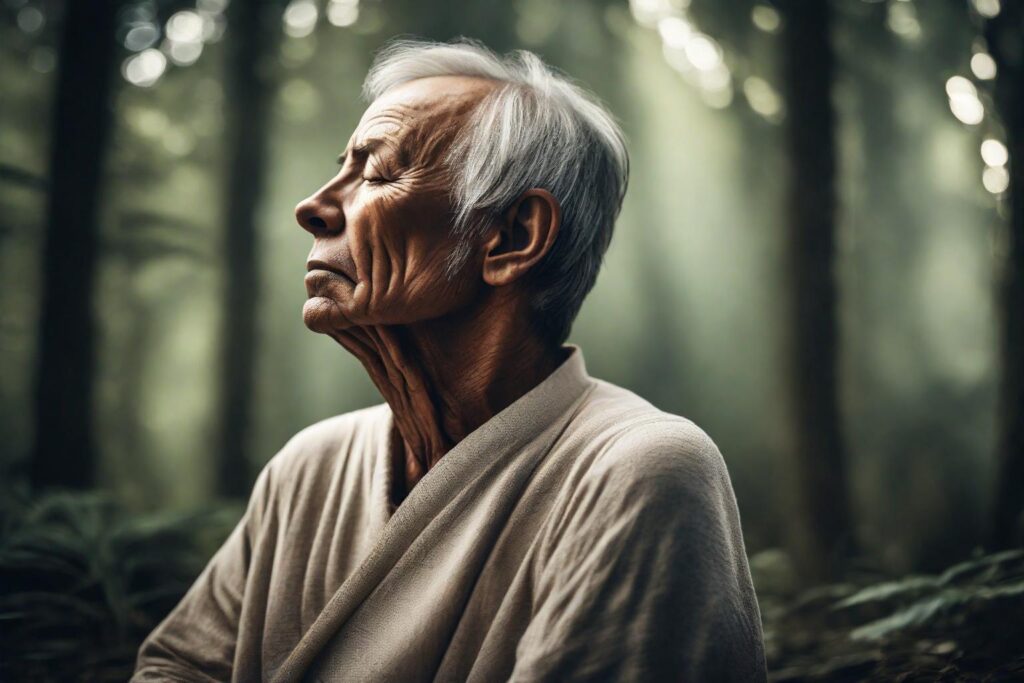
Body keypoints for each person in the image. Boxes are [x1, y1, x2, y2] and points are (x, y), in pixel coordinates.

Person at [133, 38, 766, 682]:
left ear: (512, 238)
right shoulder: (309, 465)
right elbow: (179, 667)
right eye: (340, 170)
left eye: (376, 174)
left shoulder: (638, 471)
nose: (314, 208)